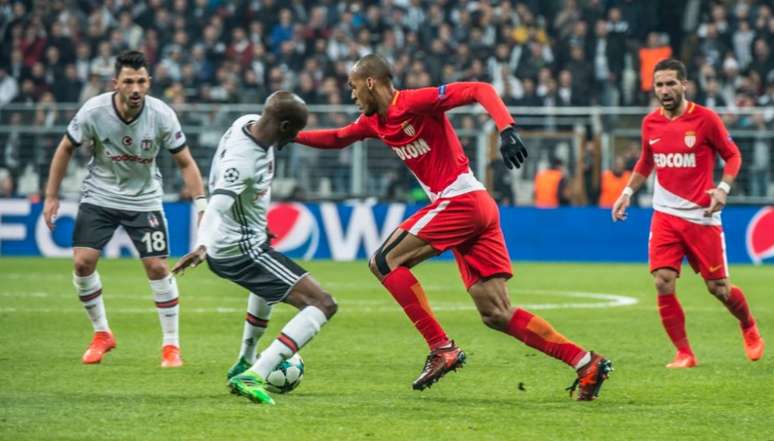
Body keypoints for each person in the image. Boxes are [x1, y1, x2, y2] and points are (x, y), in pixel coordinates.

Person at [295, 54, 612, 401]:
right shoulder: (374, 122)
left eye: (353, 87)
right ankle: (586, 362)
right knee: (497, 314)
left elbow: (479, 88)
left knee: (383, 262)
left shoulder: (414, 102)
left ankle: (441, 348)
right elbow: (338, 137)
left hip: (460, 200)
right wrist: (291, 136)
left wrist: (506, 128)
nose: (352, 95)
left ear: (371, 82)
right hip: (475, 207)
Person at [171, 91, 337, 405]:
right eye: (295, 130)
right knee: (323, 304)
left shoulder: (246, 123)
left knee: (266, 289)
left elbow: (245, 197)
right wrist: (201, 245)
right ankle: (256, 373)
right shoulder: (242, 161)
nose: (296, 137)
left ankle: (245, 359)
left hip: (247, 239)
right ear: (284, 125)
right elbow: (217, 208)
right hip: (240, 250)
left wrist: (256, 222)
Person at [43, 50, 206, 368]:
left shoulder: (162, 115)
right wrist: (51, 195)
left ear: (149, 83)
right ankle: (102, 334)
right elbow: (65, 148)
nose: (135, 88)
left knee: (158, 268)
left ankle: (171, 346)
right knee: (82, 262)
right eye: (128, 81)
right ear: (115, 83)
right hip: (100, 195)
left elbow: (185, 161)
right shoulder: (94, 111)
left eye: (141, 81)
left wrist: (201, 204)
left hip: (145, 199)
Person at [612, 58, 765, 368]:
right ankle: (685, 353)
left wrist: (723, 188)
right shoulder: (650, 123)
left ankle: (748, 324)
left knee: (718, 289)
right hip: (665, 214)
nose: (665, 90)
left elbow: (733, 155)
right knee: (662, 281)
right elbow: (646, 161)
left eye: (671, 83)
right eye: (659, 84)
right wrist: (627, 193)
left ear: (685, 85)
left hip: (701, 216)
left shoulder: (706, 120)